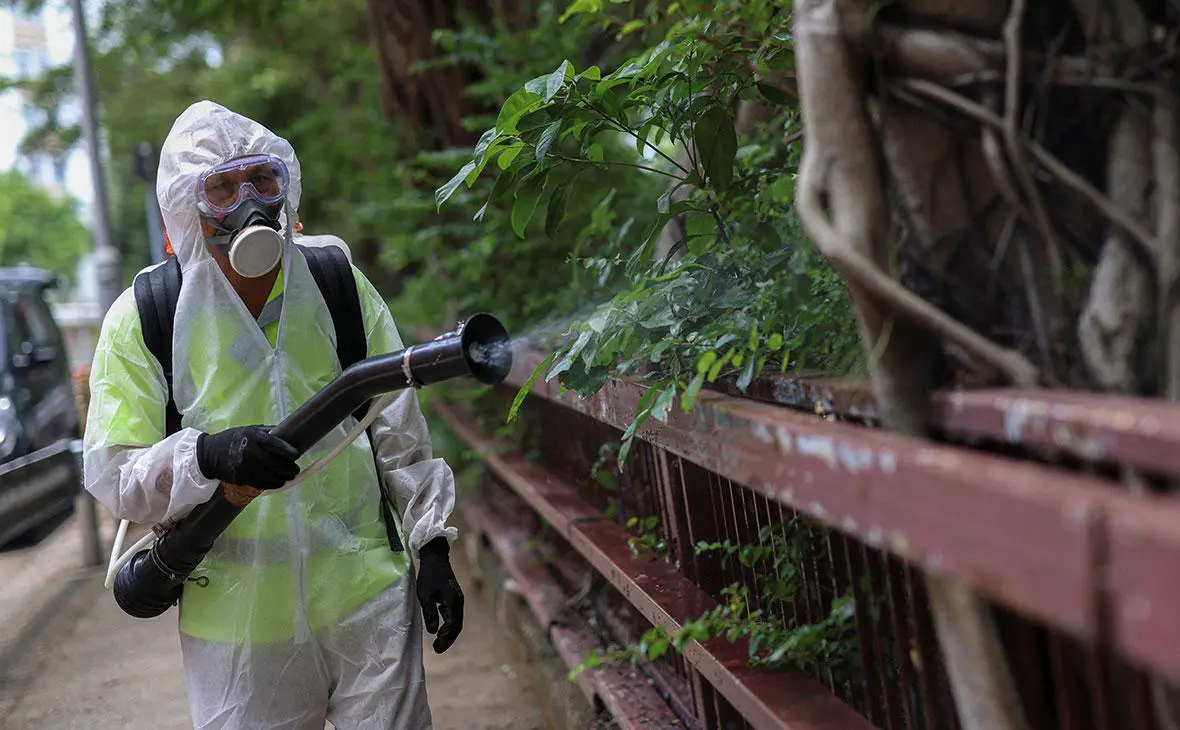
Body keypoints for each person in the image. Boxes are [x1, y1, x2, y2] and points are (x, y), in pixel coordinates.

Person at [83, 100, 463, 729]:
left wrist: (434, 545)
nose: (248, 203)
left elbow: (397, 426)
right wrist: (207, 455)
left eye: (262, 180)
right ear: (186, 207)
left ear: (286, 186)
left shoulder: (335, 281)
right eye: (222, 188)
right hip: (238, 629)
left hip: (366, 596)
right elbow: (114, 473)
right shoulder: (147, 315)